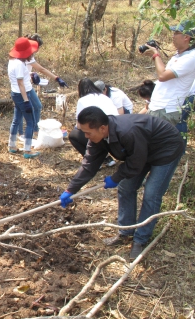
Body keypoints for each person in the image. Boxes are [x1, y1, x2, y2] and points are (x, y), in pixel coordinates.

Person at [59, 106, 185, 260]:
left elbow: (136, 163)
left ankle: (140, 239)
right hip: (141, 150)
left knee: (151, 194)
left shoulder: (128, 132)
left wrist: (116, 177)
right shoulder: (97, 137)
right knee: (126, 188)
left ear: (102, 128)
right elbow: (89, 165)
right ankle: (125, 232)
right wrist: (71, 189)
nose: (86, 136)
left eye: (88, 133)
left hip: (166, 149)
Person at [141, 21, 195, 125]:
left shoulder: (191, 57)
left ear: (186, 37)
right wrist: (156, 56)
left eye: (176, 33)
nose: (173, 36)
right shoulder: (180, 55)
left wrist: (156, 55)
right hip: (159, 108)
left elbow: (162, 76)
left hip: (166, 110)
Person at [17, 34, 68, 144]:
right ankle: (20, 134)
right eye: (37, 46)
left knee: (37, 106)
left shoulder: (29, 55)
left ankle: (35, 130)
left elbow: (25, 70)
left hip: (27, 85)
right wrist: (56, 78)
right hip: (21, 87)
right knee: (21, 110)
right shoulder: (24, 55)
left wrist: (31, 74)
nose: (38, 49)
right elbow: (41, 69)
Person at [68, 79, 118, 163]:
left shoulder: (82, 100)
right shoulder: (104, 96)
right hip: (115, 129)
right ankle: (106, 158)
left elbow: (79, 126)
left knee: (74, 134)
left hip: (101, 132)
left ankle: (94, 160)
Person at [7, 37, 40, 158]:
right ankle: (27, 150)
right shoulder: (20, 64)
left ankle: (12, 146)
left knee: (16, 119)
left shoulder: (12, 61)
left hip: (15, 93)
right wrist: (26, 101)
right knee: (30, 121)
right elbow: (21, 83)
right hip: (22, 95)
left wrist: (30, 75)